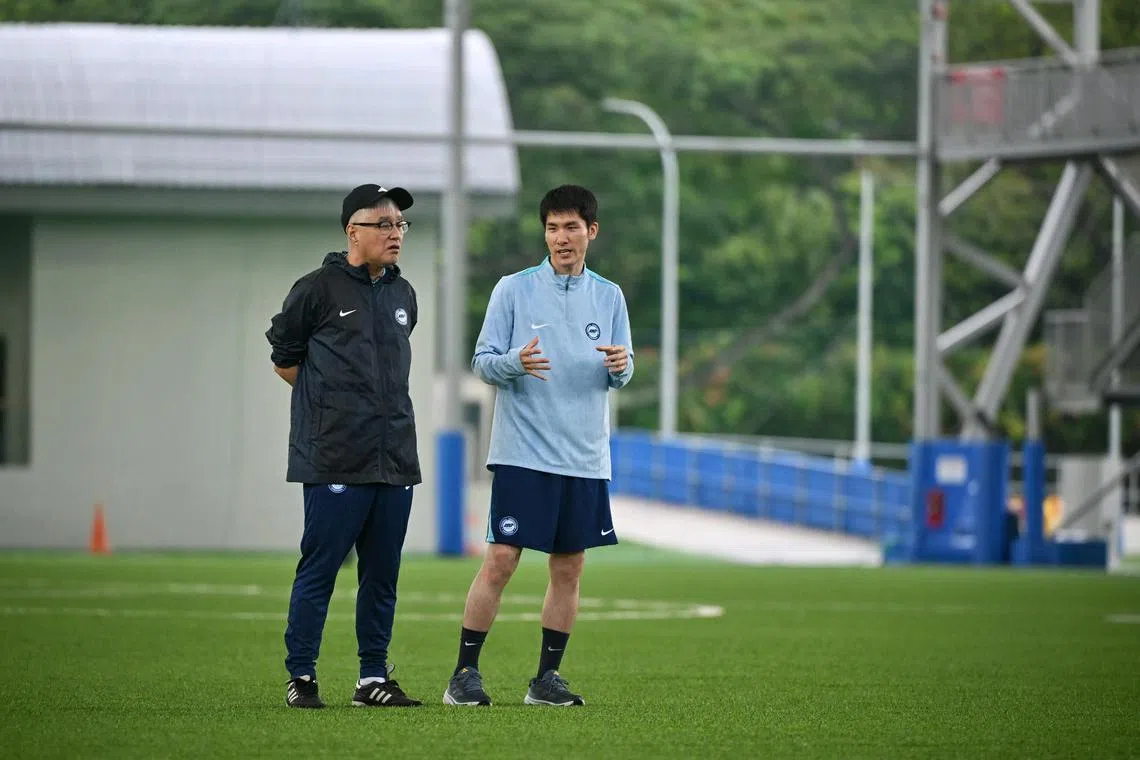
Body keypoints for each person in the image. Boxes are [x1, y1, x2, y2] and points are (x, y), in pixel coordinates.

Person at [444, 184, 634, 707]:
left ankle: (545, 681)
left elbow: (622, 369)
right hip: (523, 451)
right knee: (502, 557)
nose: (561, 238)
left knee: (569, 567)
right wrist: (515, 363)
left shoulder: (610, 296)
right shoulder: (513, 289)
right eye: (552, 228)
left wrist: (622, 367)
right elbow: (483, 362)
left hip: (585, 455)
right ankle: (463, 675)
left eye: (572, 227)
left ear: (591, 231)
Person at [266, 183, 424, 709]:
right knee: (321, 568)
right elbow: (286, 358)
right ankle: (302, 677)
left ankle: (371, 679)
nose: (395, 233)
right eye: (383, 224)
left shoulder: (404, 294)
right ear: (352, 230)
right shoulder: (316, 289)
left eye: (400, 224)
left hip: (395, 456)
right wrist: (331, 409)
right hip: (334, 454)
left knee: (382, 574)